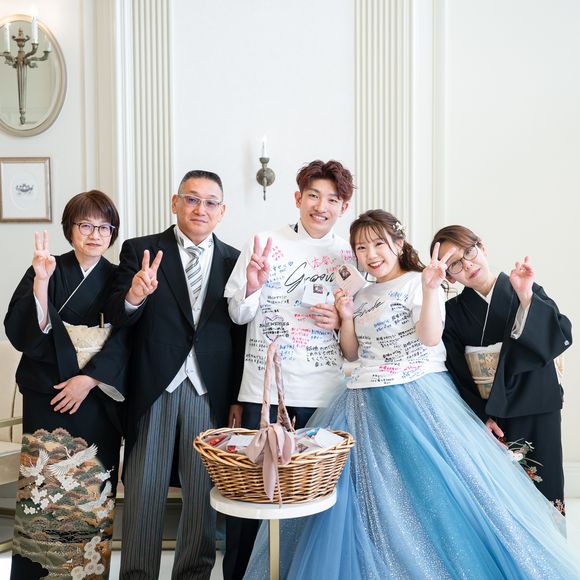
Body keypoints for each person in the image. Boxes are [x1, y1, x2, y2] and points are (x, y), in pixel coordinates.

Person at [244, 209, 579, 580]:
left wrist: (432, 288)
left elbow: (430, 338)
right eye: (361, 248)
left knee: (434, 494)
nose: (371, 254)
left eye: (379, 244)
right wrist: (347, 316)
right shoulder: (362, 292)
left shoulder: (420, 281)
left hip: (416, 394)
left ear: (398, 243)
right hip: (361, 398)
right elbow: (352, 354)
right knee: (366, 497)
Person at [107, 170, 245, 580]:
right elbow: (116, 316)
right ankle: (137, 574)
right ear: (175, 202)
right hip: (155, 386)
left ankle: (194, 575)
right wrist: (135, 295)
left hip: (208, 390)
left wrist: (236, 398)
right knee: (144, 492)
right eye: (192, 199)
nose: (201, 208)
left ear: (222, 211)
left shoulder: (235, 261)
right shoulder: (140, 250)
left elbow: (241, 335)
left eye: (210, 202)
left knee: (203, 495)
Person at [222, 159, 355, 580]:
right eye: (313, 195)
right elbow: (238, 314)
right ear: (297, 198)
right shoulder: (263, 242)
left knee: (313, 504)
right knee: (251, 499)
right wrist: (253, 285)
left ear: (344, 207)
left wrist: (340, 321)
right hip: (262, 391)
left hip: (326, 395)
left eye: (332, 199)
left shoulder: (351, 254)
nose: (321, 206)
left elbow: (359, 331)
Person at [4, 190, 129, 580]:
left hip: (96, 400)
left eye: (104, 227)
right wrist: (41, 284)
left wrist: (88, 379)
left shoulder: (118, 277)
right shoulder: (46, 267)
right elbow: (22, 332)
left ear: (113, 232)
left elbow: (125, 337)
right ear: (69, 229)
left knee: (89, 495)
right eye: (85, 225)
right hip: (48, 397)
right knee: (43, 496)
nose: (95, 234)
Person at [430, 225, 572, 512]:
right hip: (493, 413)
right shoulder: (452, 312)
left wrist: (526, 296)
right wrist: (480, 416)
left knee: (545, 488)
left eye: (469, 252)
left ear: (482, 248)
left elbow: (560, 335)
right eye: (454, 264)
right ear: (448, 275)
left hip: (537, 403)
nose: (467, 265)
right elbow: (456, 371)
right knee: (501, 499)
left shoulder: (525, 289)